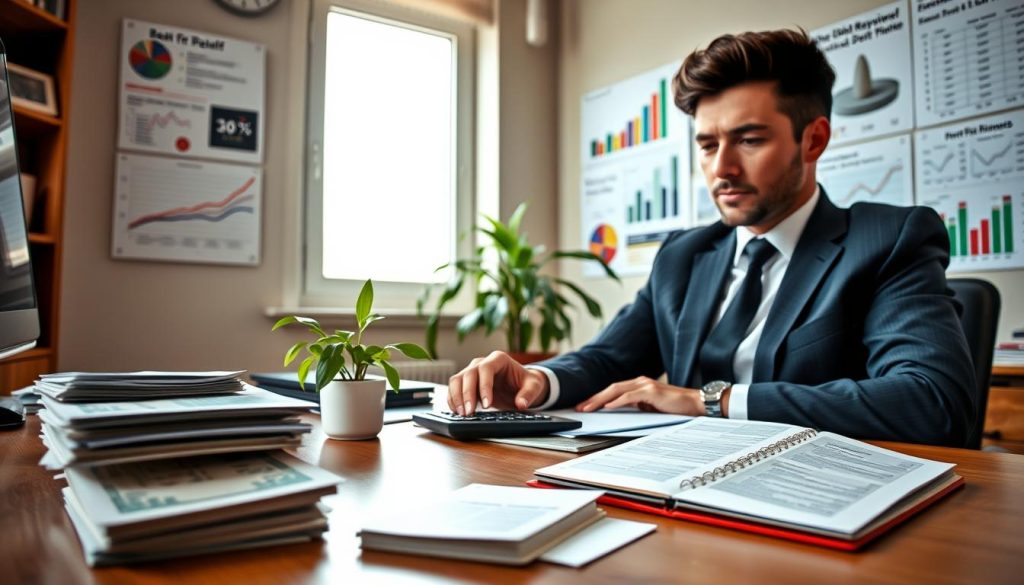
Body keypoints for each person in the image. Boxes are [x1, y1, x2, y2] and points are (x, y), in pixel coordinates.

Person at [447, 29, 976, 447]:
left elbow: (931, 401)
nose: (721, 168)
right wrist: (542, 380)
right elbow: (609, 357)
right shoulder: (684, 254)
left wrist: (711, 400)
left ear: (813, 140)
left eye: (748, 139)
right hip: (676, 487)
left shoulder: (886, 240)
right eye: (706, 145)